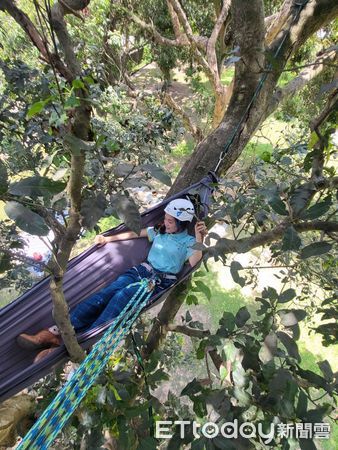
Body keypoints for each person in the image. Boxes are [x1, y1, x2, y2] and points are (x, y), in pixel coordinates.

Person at [17, 198, 208, 362]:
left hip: (156, 283)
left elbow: (194, 261)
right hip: (141, 271)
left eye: (170, 221)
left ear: (182, 223)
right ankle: (53, 334)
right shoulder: (160, 230)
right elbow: (135, 233)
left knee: (120, 299)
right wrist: (108, 239)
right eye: (165, 218)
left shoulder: (189, 243)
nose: (166, 222)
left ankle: (71, 345)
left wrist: (199, 237)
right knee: (105, 294)